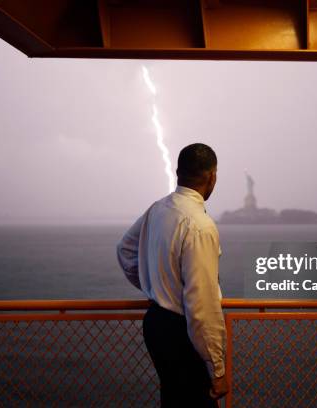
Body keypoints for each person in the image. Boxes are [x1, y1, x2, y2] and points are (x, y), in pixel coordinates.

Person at [116, 143, 228, 407]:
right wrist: (218, 369)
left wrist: (154, 286)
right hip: (182, 332)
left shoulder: (158, 209)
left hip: (155, 324)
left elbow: (125, 250)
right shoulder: (200, 226)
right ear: (212, 176)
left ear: (178, 172)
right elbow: (201, 303)